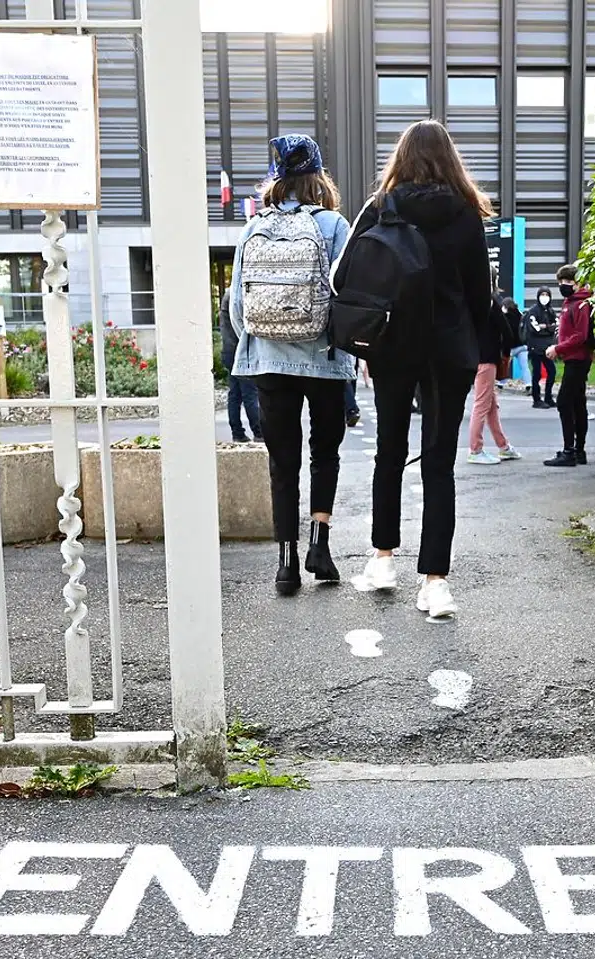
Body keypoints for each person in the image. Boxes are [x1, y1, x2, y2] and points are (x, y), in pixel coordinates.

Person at [337, 119, 493, 620]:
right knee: (439, 462)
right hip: (449, 350)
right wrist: (483, 351)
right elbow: (480, 296)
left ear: (401, 158)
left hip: (392, 346)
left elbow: (344, 277)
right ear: (450, 159)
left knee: (389, 451)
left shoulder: (381, 207)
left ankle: (383, 559)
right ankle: (435, 583)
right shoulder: (466, 214)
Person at [230, 134, 354, 595]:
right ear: (318, 176)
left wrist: (262, 341)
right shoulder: (334, 225)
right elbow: (346, 295)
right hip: (323, 358)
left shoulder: (254, 227)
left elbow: (238, 306)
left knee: (283, 462)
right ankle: (319, 546)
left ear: (276, 178)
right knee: (325, 453)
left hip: (268, 360)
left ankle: (286, 564)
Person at [467, 273, 522, 465]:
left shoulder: (470, 301)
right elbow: (507, 332)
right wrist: (505, 354)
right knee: (482, 404)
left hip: (475, 357)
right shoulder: (491, 302)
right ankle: (475, 449)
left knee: (491, 406)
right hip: (488, 358)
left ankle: (503, 446)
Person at [544, 264, 594, 467]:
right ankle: (578, 450)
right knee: (577, 402)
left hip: (577, 359)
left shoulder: (580, 304)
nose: (563, 285)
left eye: (567, 281)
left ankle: (569, 451)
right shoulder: (571, 303)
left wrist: (558, 348)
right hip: (574, 358)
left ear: (577, 282)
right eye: (561, 282)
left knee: (564, 402)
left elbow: (580, 336)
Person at [218, 290, 262, 443]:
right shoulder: (237, 295)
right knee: (250, 393)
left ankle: (237, 433)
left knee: (235, 394)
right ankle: (259, 432)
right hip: (240, 351)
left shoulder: (228, 295)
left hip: (229, 351)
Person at [523, 285, 558, 409]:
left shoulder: (550, 311)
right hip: (535, 347)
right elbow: (535, 328)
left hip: (547, 347)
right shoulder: (533, 311)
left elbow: (556, 326)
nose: (544, 297)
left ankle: (548, 397)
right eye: (542, 295)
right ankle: (536, 399)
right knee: (536, 373)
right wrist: (548, 327)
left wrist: (545, 327)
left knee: (552, 372)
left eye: (547, 295)